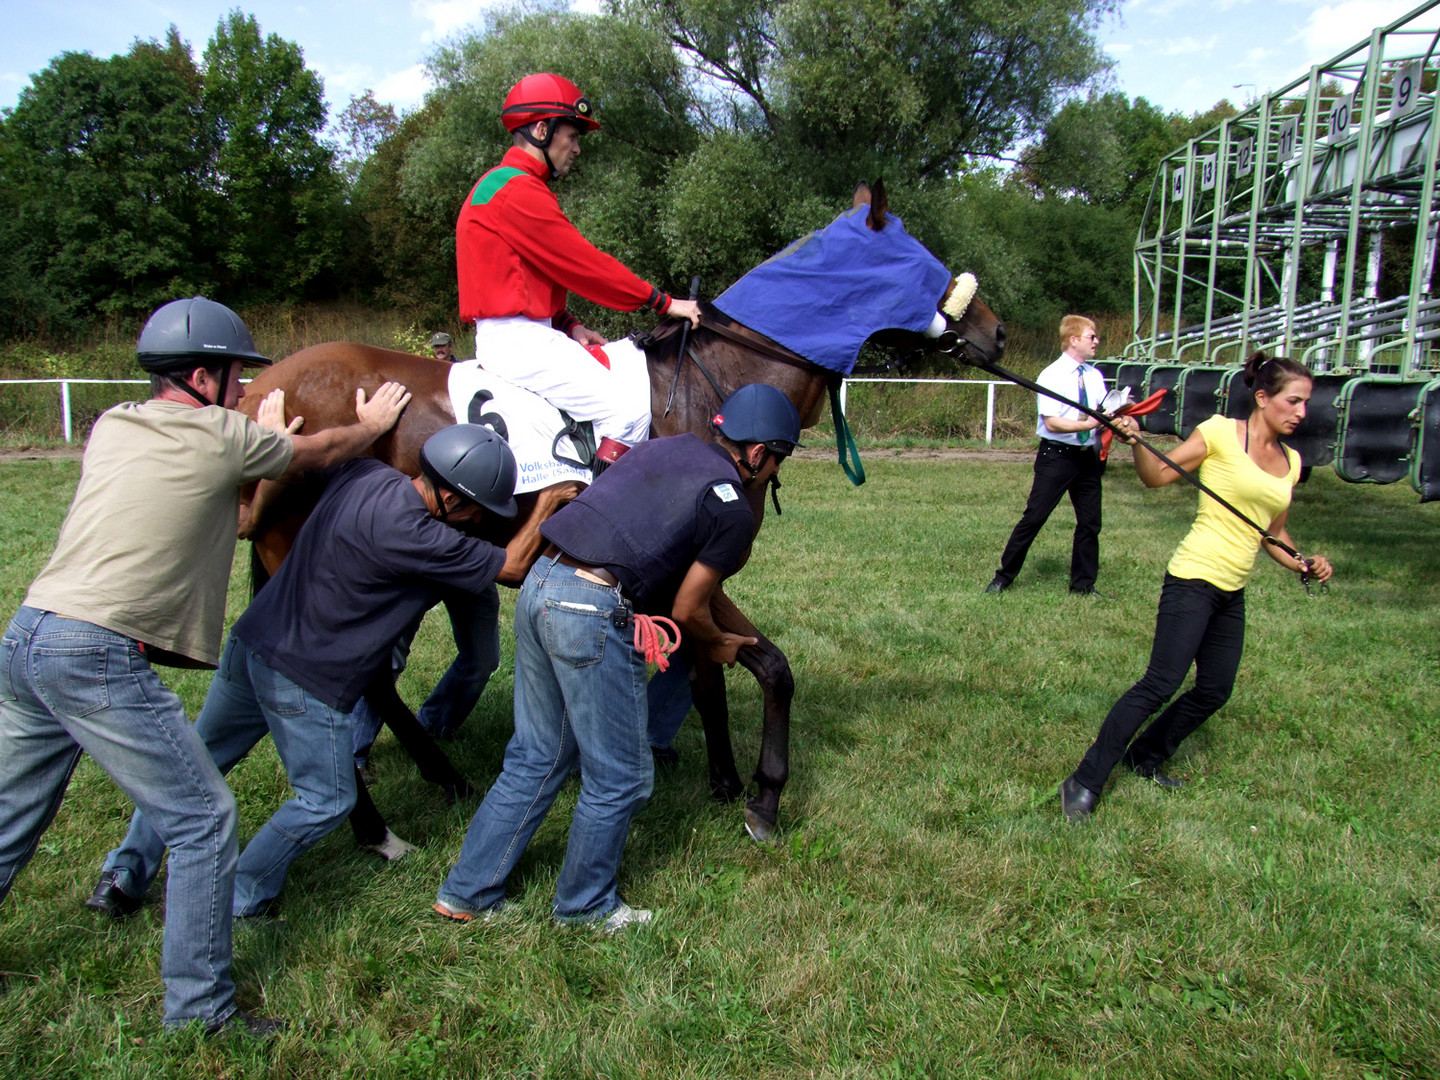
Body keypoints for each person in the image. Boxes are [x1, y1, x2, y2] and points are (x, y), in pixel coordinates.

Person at [0, 296, 409, 1036]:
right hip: (96, 653)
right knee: (203, 821)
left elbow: (241, 516)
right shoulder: (224, 437)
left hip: (29, 635)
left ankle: (128, 883)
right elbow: (319, 455)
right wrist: (373, 428)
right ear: (200, 375)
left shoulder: (113, 426)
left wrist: (256, 434)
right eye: (234, 377)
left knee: (13, 813)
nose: (242, 389)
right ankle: (200, 1012)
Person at [93, 425, 523, 920]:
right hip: (305, 675)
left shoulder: (367, 473)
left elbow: (294, 466)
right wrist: (552, 500)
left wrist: (360, 429)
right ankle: (242, 895)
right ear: (449, 496)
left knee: (202, 761)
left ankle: (124, 873)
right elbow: (510, 568)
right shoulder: (419, 535)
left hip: (253, 641)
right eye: (475, 509)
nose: (476, 521)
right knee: (328, 799)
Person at [433, 383, 801, 931]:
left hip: (540, 581)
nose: (772, 473)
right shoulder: (730, 505)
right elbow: (688, 608)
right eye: (777, 461)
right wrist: (721, 644)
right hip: (590, 609)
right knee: (621, 777)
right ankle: (584, 906)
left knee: (536, 755)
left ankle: (467, 891)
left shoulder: (661, 447)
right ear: (756, 452)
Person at [1059, 352, 1334, 820]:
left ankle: (1144, 757)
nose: (1301, 412)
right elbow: (1157, 476)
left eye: (1305, 403)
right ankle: (1084, 780)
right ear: (1263, 398)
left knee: (1214, 689)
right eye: (1293, 401)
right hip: (1193, 577)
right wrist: (1138, 442)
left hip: (1232, 590)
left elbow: (1274, 533)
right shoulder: (1221, 433)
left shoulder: (1291, 461)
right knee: (1159, 683)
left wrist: (1304, 564)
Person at [456, 72, 701, 469]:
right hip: (519, 342)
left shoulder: (506, 185)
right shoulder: (518, 190)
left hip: (527, 333)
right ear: (541, 129)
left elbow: (523, 280)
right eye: (571, 136)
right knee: (629, 411)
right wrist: (664, 303)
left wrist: (569, 324)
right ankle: (596, 522)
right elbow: (585, 266)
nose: (576, 149)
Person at [986, 315, 1109, 595]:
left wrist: (1119, 416)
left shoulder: (1094, 375)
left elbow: (1103, 411)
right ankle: (1004, 577)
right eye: (1092, 337)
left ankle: (1083, 585)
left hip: (1086, 456)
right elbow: (1052, 422)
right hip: (1057, 457)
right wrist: (1088, 424)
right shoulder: (1051, 375)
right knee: (1034, 517)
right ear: (1074, 340)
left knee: (1090, 523)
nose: (1096, 342)